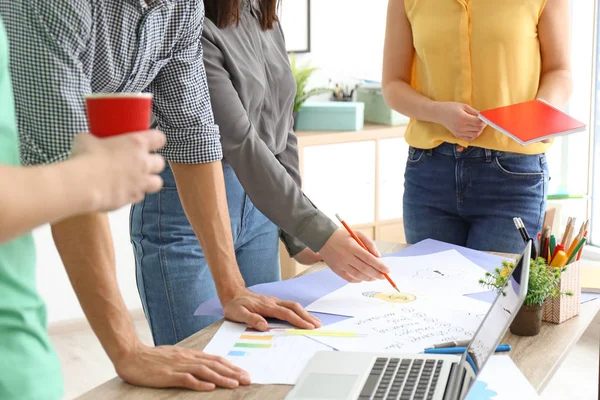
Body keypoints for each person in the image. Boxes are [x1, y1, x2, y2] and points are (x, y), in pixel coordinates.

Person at [0, 0, 300, 392]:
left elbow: (192, 134)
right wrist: (127, 348)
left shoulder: (181, 6)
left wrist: (232, 289)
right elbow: (72, 167)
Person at [130, 0, 390, 344]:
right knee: (202, 367)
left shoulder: (263, 16)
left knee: (264, 351)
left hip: (259, 213)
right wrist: (321, 233)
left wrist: (300, 235)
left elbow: (283, 130)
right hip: (185, 210)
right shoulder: (190, 22)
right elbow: (239, 140)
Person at [382, 0, 572, 254]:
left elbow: (560, 71)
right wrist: (438, 112)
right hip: (429, 175)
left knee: (496, 292)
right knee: (431, 290)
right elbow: (393, 84)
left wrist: (540, 115)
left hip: (512, 177)